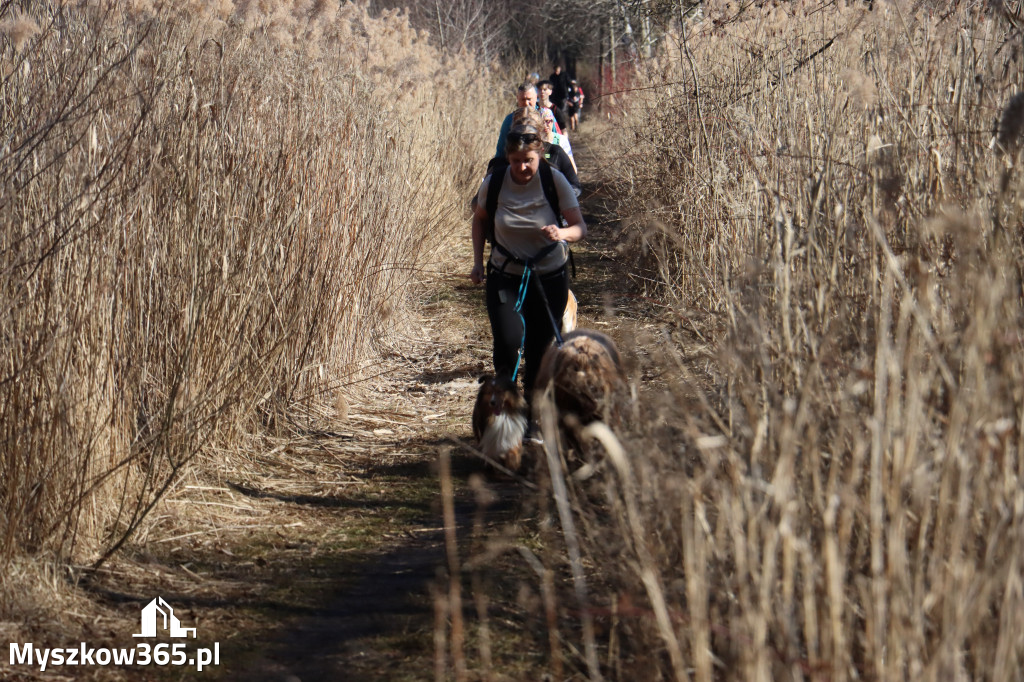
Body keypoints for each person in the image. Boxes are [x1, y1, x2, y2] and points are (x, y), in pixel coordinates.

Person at [470, 126, 587, 441]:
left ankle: (532, 422)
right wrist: (478, 262)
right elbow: (480, 218)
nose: (522, 167)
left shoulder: (554, 179)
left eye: (529, 160)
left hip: (549, 277)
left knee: (538, 353)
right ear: (508, 157)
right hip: (504, 274)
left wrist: (561, 234)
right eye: (516, 160)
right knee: (508, 344)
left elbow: (579, 227)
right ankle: (501, 420)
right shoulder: (494, 182)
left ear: (540, 156)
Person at [513, 107, 579, 194]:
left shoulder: (556, 151)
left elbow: (574, 183)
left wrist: (559, 197)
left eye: (549, 121)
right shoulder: (503, 161)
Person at [494, 82, 538, 158]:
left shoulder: (546, 117)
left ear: (536, 97)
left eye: (529, 99)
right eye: (523, 99)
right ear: (517, 98)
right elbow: (501, 150)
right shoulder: (509, 119)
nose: (526, 103)